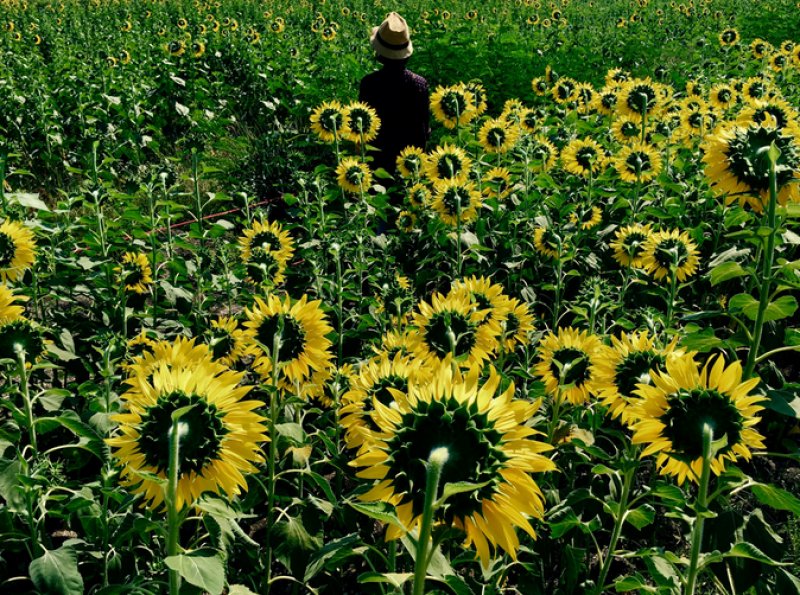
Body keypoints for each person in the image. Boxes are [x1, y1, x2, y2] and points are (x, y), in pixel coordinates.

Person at [359, 12, 430, 176]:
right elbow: (424, 131)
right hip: (410, 165)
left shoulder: (369, 84)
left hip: (377, 165)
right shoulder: (420, 84)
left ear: (380, 54)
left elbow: (362, 130)